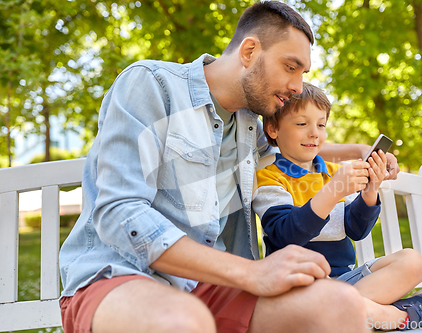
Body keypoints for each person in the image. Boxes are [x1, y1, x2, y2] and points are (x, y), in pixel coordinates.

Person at [58, 2, 402, 333]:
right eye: (290, 66)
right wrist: (250, 273)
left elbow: (296, 147)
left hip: (211, 287)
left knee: (340, 304)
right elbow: (120, 213)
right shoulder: (152, 84)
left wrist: (358, 150)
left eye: (302, 73)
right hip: (120, 277)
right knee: (184, 322)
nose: (298, 86)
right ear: (250, 52)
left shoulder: (249, 125)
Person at [252, 82, 422, 330]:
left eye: (321, 125)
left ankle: (350, 311)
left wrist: (370, 192)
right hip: (301, 287)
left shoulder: (335, 173)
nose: (314, 133)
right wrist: (333, 191)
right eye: (302, 124)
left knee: (413, 262)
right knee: (324, 300)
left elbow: (356, 231)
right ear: (272, 129)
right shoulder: (270, 178)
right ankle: (398, 317)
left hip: (347, 282)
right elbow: (287, 234)